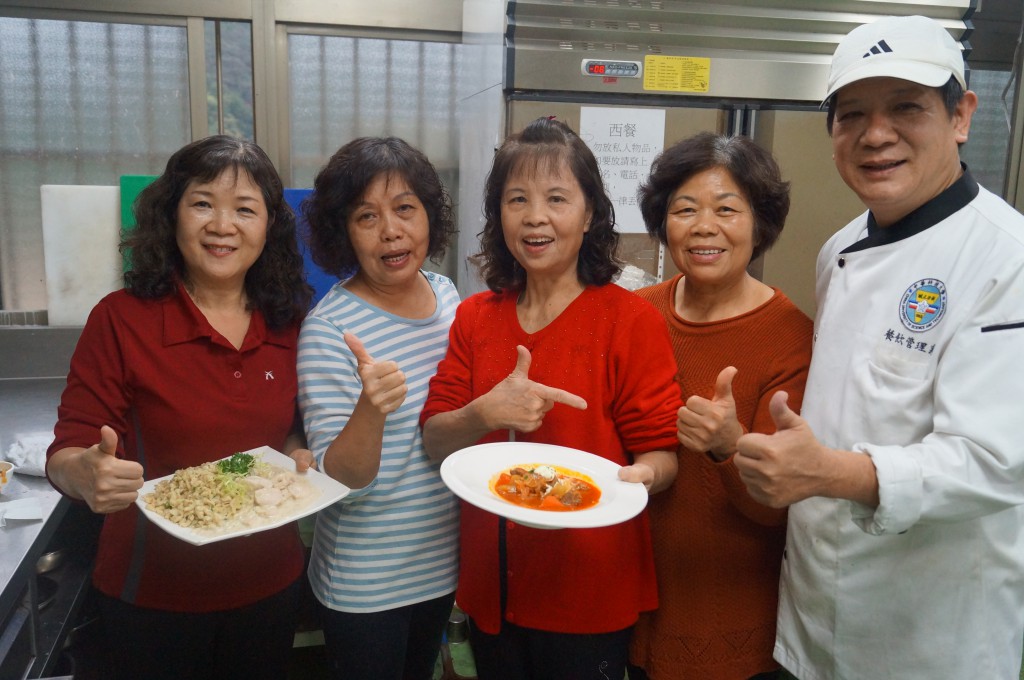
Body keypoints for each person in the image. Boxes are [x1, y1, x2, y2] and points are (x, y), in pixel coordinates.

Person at [733, 15, 1024, 680]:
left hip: (929, 634)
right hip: (814, 611)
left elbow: (994, 463)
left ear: (961, 116)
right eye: (852, 114)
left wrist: (828, 474)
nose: (875, 134)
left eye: (906, 108)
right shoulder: (840, 249)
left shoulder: (1007, 259)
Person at [420, 116, 683, 680]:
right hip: (492, 587)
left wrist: (643, 476)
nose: (535, 216)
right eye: (517, 199)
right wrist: (484, 411)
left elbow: (662, 455)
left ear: (589, 215)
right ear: (499, 216)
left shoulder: (629, 320)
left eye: (557, 198)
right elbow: (436, 441)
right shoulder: (475, 317)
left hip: (588, 587)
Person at [45, 135, 315, 680]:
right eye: (202, 204)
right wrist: (85, 473)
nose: (223, 225)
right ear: (172, 214)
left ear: (269, 226)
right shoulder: (121, 319)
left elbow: (290, 428)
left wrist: (298, 452)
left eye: (245, 209)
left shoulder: (289, 321)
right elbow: (67, 451)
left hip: (270, 582)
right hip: (152, 594)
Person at [627, 132, 813, 680]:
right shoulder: (636, 314)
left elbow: (778, 508)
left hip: (730, 625)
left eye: (726, 209)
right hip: (628, 607)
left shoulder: (791, 337)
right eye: (685, 209)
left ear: (760, 224)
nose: (704, 226)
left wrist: (729, 446)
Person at [296, 137, 461, 680]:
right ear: (343, 231)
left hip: (442, 562)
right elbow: (339, 481)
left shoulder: (448, 298)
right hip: (365, 583)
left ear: (429, 216)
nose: (391, 230)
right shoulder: (329, 330)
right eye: (367, 216)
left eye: (405, 208)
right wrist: (371, 409)